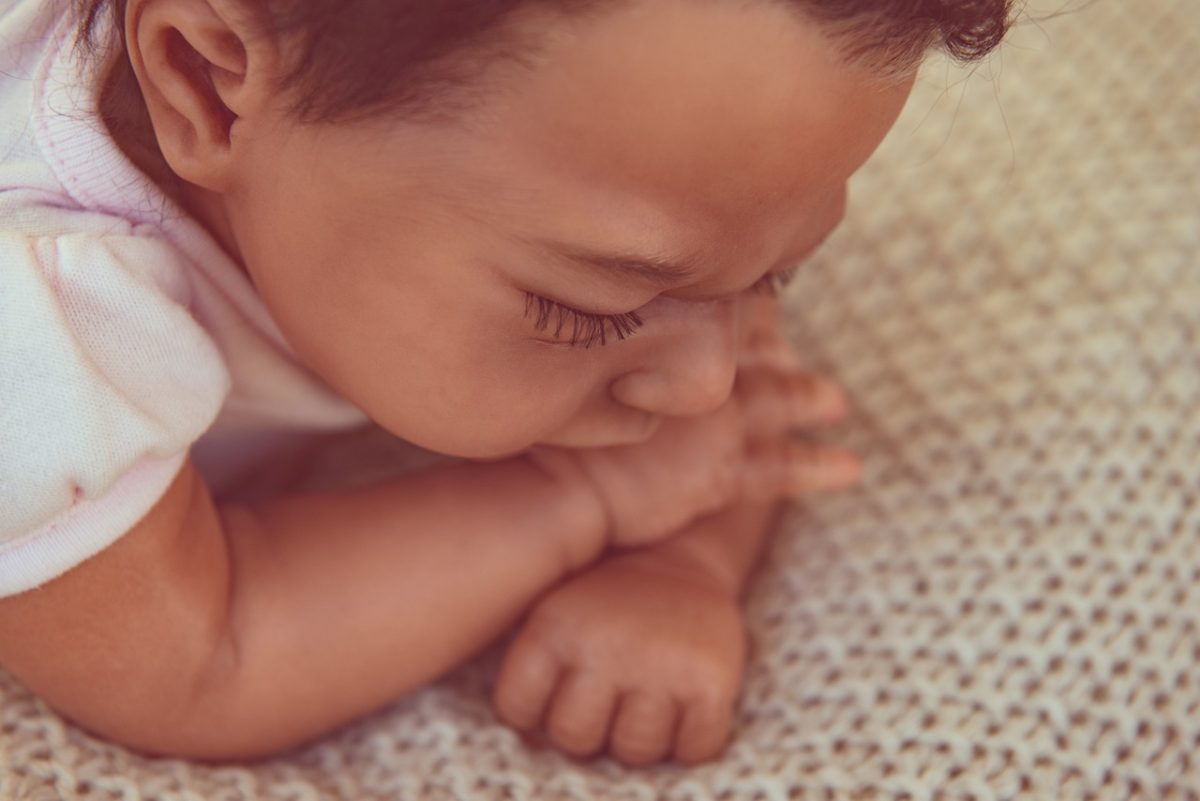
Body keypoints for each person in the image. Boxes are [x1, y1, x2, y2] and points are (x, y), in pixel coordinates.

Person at [0, 0, 1011, 766]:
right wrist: (583, 500)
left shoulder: (634, 208)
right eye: (593, 311)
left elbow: (719, 365)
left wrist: (684, 564)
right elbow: (201, 662)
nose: (710, 381)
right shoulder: (35, 316)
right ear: (209, 87)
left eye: (776, 272)